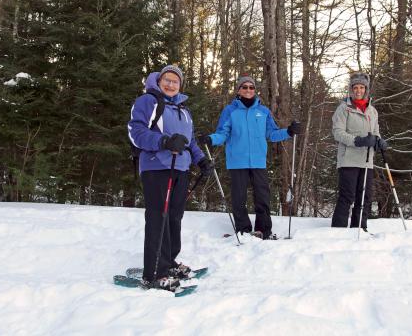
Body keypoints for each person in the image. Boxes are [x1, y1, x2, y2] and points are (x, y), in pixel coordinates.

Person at [128, 65, 213, 291]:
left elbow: (190, 141)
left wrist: (201, 160)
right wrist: (164, 142)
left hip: (181, 168)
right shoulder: (148, 102)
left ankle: (169, 263)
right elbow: (135, 132)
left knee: (174, 218)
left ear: (180, 85)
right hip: (157, 168)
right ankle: (155, 273)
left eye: (175, 81)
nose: (171, 84)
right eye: (167, 80)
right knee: (158, 218)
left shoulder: (183, 110)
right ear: (159, 81)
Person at [199, 75, 301, 240]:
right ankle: (243, 230)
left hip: (258, 161)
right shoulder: (230, 111)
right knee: (239, 199)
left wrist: (288, 132)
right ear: (238, 90)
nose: (248, 90)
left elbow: (272, 134)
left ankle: (264, 230)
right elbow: (222, 134)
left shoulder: (263, 111)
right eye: (244, 87)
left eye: (251, 87)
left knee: (263, 197)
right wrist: (211, 139)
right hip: (237, 161)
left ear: (255, 90)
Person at [331, 72, 388, 231]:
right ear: (351, 89)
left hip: (367, 161)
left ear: (366, 89)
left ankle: (359, 229)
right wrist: (358, 140)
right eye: (355, 87)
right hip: (348, 159)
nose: (358, 90)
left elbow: (375, 132)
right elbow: (338, 132)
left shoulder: (372, 111)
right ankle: (338, 230)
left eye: (361, 87)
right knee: (347, 196)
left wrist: (379, 141)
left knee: (365, 197)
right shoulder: (344, 109)